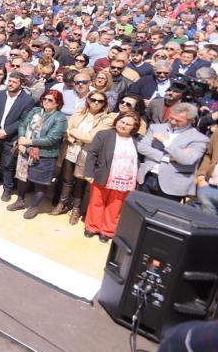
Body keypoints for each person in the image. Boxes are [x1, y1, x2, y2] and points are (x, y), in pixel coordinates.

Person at [53, 89, 115, 221]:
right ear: (88, 100)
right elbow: (66, 131)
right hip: (71, 149)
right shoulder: (79, 113)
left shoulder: (107, 119)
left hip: (87, 154)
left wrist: (74, 131)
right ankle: (62, 203)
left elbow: (91, 138)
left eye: (100, 101)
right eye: (93, 100)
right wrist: (74, 137)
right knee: (67, 179)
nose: (96, 103)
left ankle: (76, 208)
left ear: (104, 104)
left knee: (80, 182)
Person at [8, 89, 68, 219]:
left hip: (44, 155)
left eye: (50, 100)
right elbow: (23, 124)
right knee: (22, 178)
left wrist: (28, 141)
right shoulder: (36, 111)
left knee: (40, 183)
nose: (46, 102)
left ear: (57, 103)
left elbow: (52, 139)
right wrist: (22, 140)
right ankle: (20, 201)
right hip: (25, 151)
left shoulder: (60, 118)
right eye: (44, 99)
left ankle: (34, 206)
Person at [82, 112, 142, 241]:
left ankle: (107, 231)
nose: (123, 125)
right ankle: (92, 227)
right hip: (103, 174)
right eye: (121, 122)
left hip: (125, 179)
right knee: (96, 202)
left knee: (115, 206)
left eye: (128, 124)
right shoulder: (104, 135)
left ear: (134, 127)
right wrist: (89, 172)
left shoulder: (138, 140)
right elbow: (92, 153)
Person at [0, 72, 35, 200]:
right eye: (10, 81)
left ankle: (7, 188)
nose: (11, 84)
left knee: (8, 165)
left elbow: (23, 121)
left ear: (21, 84)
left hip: (11, 138)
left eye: (15, 82)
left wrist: (6, 131)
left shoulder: (27, 100)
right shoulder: (0, 94)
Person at [137, 102, 209, 202]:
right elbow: (142, 147)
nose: (173, 122)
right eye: (171, 118)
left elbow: (187, 160)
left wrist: (166, 141)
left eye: (178, 121)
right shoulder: (156, 128)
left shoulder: (199, 139)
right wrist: (167, 158)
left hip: (173, 185)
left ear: (191, 121)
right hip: (147, 178)